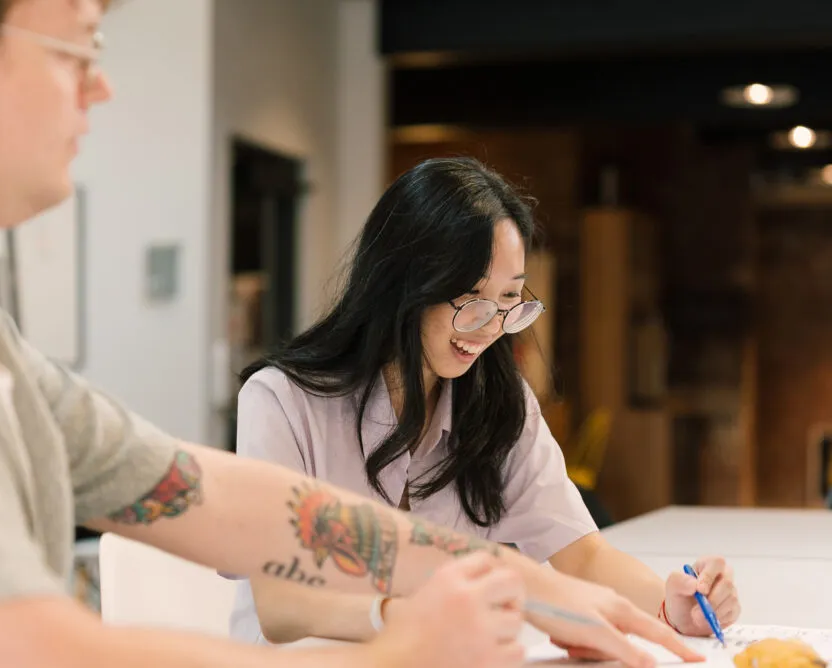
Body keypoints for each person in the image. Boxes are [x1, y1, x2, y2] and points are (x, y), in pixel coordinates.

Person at [0, 1, 702, 667]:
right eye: (77, 47)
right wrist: (402, 650)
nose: (102, 85)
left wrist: (510, 578)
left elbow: (200, 493)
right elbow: (1, 642)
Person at [230, 157, 742, 652]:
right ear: (404, 283)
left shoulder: (499, 403)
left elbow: (581, 555)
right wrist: (406, 615)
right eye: (471, 298)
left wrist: (672, 609)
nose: (492, 326)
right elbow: (280, 606)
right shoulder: (283, 401)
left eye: (508, 299)